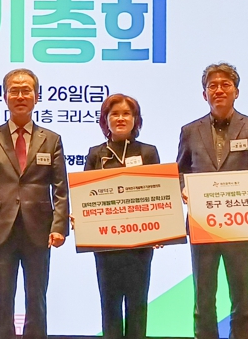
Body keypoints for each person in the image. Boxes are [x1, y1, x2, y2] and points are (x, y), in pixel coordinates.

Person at [176, 62, 248, 339]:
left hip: (240, 225)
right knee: (203, 299)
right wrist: (183, 188)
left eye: (225, 85)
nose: (218, 90)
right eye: (212, 86)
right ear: (204, 94)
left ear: (236, 92)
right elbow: (179, 171)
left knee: (242, 301)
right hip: (201, 223)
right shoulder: (189, 131)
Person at [0, 68, 69, 339]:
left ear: (37, 97)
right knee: (3, 299)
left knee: (37, 298)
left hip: (39, 228)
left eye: (26, 91)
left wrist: (59, 227)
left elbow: (60, 188)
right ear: (5, 96)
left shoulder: (51, 139)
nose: (20, 96)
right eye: (14, 91)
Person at [83, 94, 159, 339]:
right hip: (106, 244)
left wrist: (162, 231)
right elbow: (85, 194)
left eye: (126, 114)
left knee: (138, 304)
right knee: (110, 305)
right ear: (105, 119)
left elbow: (158, 196)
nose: (120, 118)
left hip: (140, 245)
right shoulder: (96, 154)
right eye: (114, 114)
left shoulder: (148, 153)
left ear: (135, 119)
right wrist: (81, 218)